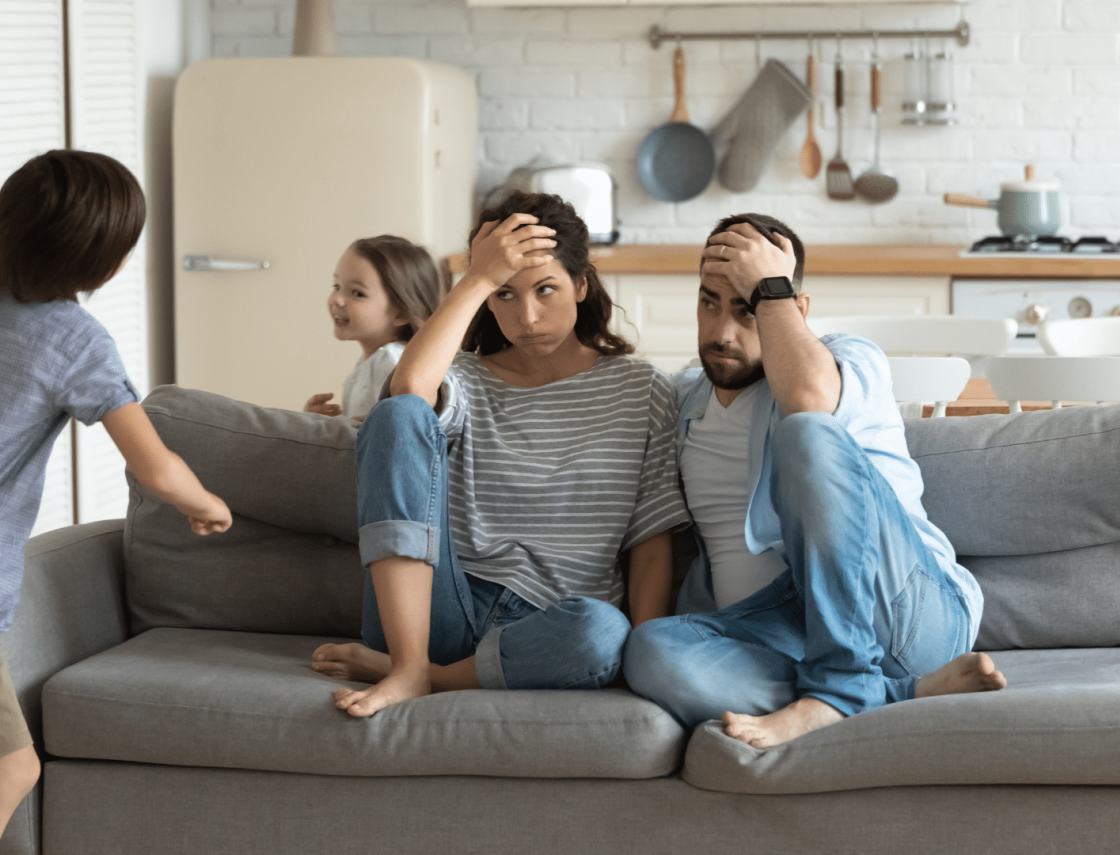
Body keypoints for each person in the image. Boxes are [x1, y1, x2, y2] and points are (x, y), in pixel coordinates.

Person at [623, 213, 1006, 749]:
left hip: (908, 611)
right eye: (709, 302)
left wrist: (770, 289)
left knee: (807, 434)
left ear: (793, 308)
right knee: (650, 652)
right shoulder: (682, 402)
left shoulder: (848, 361)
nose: (722, 332)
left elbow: (808, 400)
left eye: (746, 308)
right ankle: (891, 693)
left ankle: (840, 688)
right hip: (787, 632)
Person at [311, 191, 690, 716]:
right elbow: (410, 390)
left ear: (581, 285)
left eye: (547, 289)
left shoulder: (642, 389)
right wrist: (478, 276)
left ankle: (426, 678)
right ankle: (409, 664)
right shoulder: (463, 377)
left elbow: (650, 540)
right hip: (435, 612)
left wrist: (652, 660)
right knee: (396, 413)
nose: (527, 316)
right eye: (505, 295)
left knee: (604, 633)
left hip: (551, 629)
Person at [0, 149, 233, 834]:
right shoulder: (73, 341)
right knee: (14, 764)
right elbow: (155, 466)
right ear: (104, 261)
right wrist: (207, 504)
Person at [303, 235, 442, 420]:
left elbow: (396, 425)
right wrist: (320, 422)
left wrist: (324, 427)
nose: (337, 299)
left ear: (400, 313)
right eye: (337, 286)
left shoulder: (391, 362)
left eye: (357, 293)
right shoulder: (373, 361)